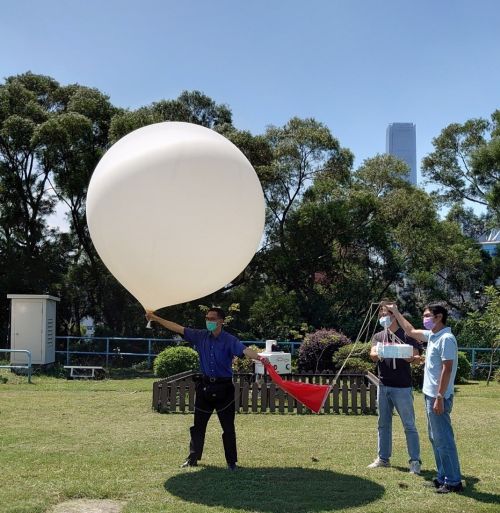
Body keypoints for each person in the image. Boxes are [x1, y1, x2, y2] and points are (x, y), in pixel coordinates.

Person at [145, 307, 264, 471]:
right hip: (205, 386)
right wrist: (156, 318)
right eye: (207, 318)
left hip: (225, 388)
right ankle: (192, 458)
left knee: (228, 427)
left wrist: (259, 358)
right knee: (198, 426)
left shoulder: (229, 340)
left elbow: (244, 350)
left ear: (221, 321)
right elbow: (177, 327)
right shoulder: (200, 336)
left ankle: (231, 463)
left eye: (212, 319)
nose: (209, 321)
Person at [386, 303, 463, 493]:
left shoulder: (446, 339)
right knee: (435, 438)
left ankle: (453, 481)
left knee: (444, 439)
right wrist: (395, 311)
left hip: (439, 397)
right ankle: (442, 477)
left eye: (428, 315)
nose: (425, 319)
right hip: (430, 395)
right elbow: (410, 331)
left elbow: (447, 369)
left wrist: (439, 396)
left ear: (439, 317)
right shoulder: (433, 336)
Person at [368, 302, 422, 474]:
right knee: (383, 424)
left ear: (395, 315)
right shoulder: (378, 336)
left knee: (409, 425)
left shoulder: (407, 335)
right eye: (382, 314)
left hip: (402, 387)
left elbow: (416, 355)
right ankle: (383, 458)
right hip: (383, 385)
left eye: (388, 313)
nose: (384, 317)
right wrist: (377, 354)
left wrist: (410, 358)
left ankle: (415, 461)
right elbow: (372, 355)